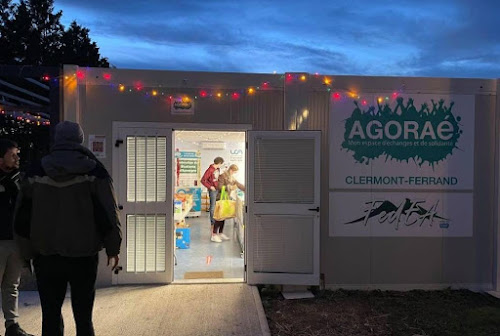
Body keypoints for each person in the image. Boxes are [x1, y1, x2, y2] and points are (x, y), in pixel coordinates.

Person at [14, 121, 122, 336]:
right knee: (84, 315)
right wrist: (113, 247)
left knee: (50, 314)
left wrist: (25, 253)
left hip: (45, 253)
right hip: (84, 253)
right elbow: (109, 212)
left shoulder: (36, 170)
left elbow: (22, 216)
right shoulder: (94, 170)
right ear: (79, 140)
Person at [0, 139, 34, 336]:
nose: (17, 158)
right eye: (13, 154)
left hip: (16, 241)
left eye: (17, 154)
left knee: (11, 285)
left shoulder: (19, 180)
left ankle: (12, 326)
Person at [212, 164, 245, 243]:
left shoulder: (231, 177)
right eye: (234, 172)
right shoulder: (222, 176)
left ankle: (220, 233)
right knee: (219, 217)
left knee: (223, 216)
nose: (234, 173)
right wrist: (229, 187)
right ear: (231, 170)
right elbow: (219, 187)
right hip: (220, 198)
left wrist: (247, 189)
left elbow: (238, 184)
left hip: (226, 198)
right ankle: (214, 235)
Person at [200, 157, 224, 237]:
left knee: (217, 206)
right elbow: (203, 180)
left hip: (218, 190)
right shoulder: (210, 170)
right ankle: (213, 223)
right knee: (213, 207)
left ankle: (216, 221)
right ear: (219, 163)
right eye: (221, 164)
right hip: (213, 190)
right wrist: (210, 187)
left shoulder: (218, 169)